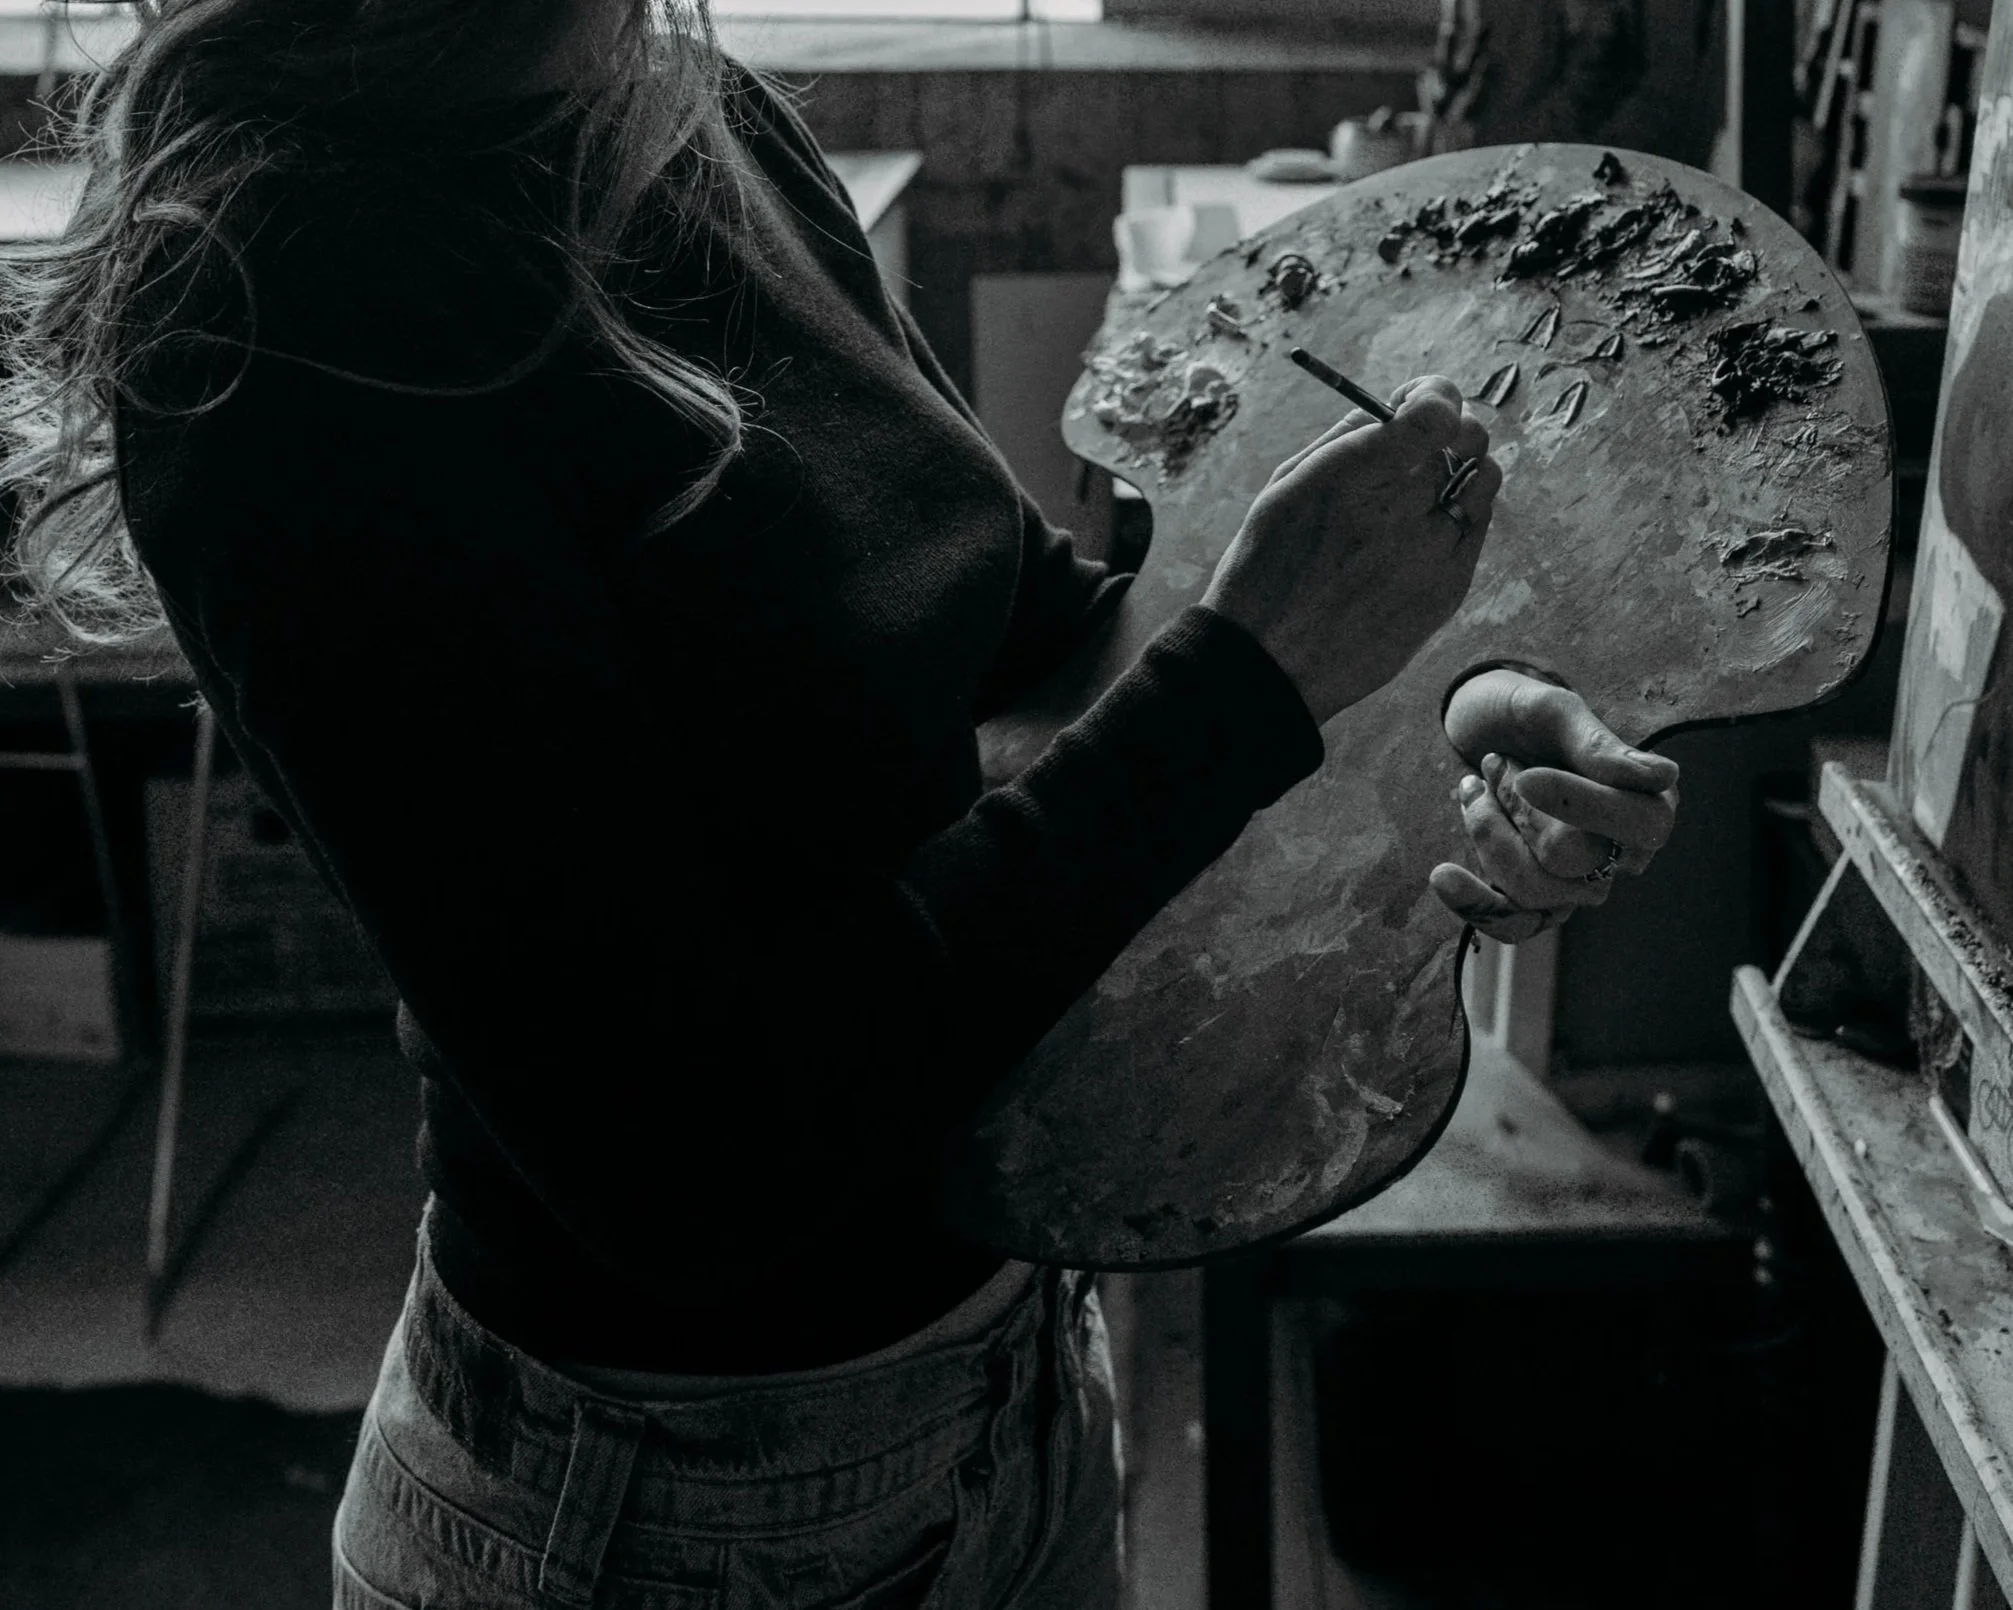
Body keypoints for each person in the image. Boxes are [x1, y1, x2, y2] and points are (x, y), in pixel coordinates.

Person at [0, 2, 1679, 1605]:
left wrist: (1422, 710)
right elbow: (693, 1154)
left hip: (1007, 1376)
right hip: (669, 1503)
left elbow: (1029, 642)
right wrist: (1251, 680)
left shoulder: (693, 120)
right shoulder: (291, 307)